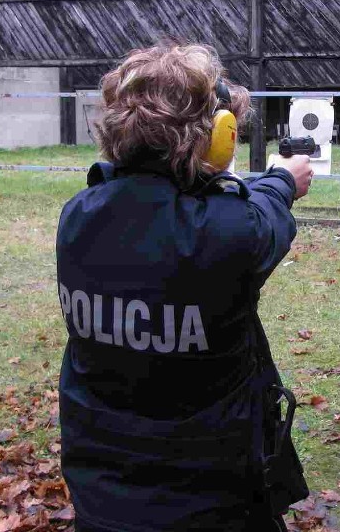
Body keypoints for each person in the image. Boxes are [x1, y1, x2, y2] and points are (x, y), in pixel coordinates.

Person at [55, 43, 313, 531]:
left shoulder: (78, 214)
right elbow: (261, 218)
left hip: (102, 491)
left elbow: (174, 217)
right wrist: (281, 178)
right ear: (216, 138)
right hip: (212, 500)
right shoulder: (230, 231)